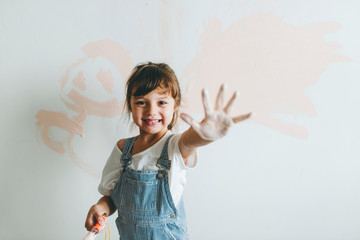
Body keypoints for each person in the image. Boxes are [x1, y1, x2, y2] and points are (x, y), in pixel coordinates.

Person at [84, 62, 251, 239]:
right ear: (130, 105)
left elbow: (191, 140)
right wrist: (101, 207)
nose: (151, 111)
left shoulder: (175, 146)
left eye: (162, 102)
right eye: (141, 102)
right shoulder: (122, 149)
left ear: (175, 105)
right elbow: (112, 197)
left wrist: (206, 134)